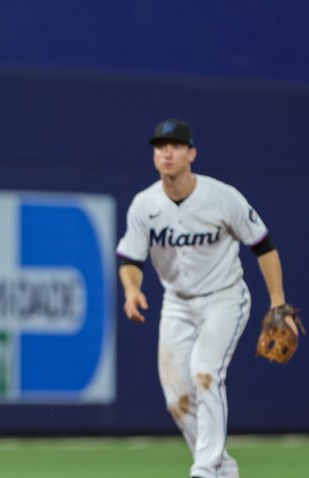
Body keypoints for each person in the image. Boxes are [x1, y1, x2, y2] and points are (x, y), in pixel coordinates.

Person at [116, 119, 296, 478]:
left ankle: (204, 469)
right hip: (177, 303)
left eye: (175, 145)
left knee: (205, 373)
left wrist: (278, 303)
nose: (166, 152)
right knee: (176, 401)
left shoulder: (222, 197)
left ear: (191, 153)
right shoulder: (144, 205)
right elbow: (130, 259)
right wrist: (132, 290)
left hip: (224, 298)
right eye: (160, 146)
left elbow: (263, 245)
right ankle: (223, 469)